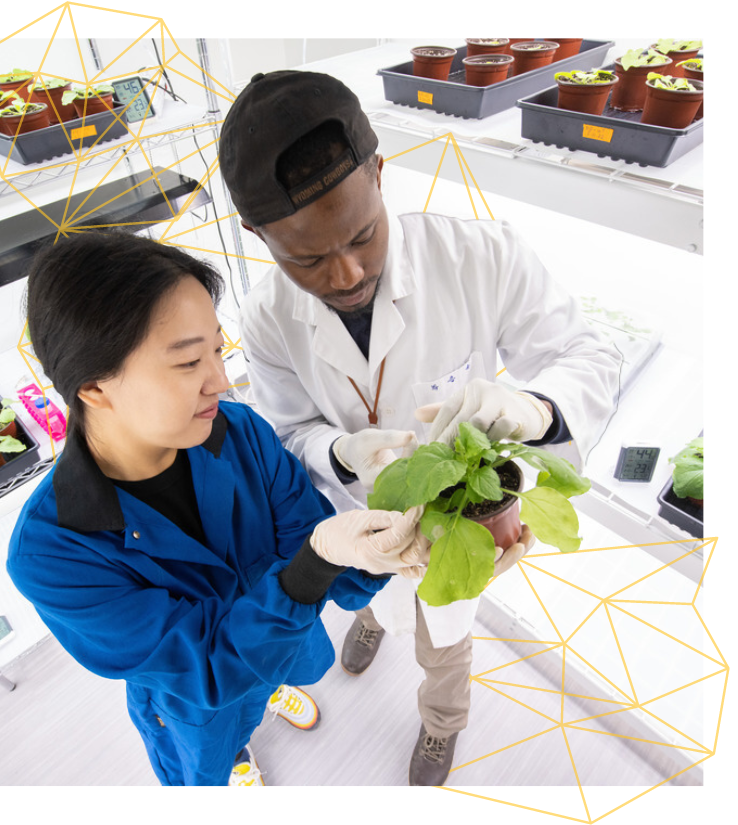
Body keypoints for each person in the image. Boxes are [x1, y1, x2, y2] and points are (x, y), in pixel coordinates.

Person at [218, 70, 622, 786]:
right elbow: (287, 431)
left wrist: (538, 408)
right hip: (358, 522)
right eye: (306, 259)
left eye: (362, 236)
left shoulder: (479, 256)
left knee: (446, 642)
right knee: (372, 590)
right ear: (257, 234)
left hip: (460, 517)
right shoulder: (266, 316)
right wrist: (337, 452)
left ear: (379, 173)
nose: (345, 274)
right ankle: (373, 618)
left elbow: (586, 353)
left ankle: (442, 723)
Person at [6, 230, 429, 786]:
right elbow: (203, 665)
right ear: (95, 388)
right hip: (198, 699)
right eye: (187, 364)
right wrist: (313, 563)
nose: (221, 382)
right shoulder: (53, 554)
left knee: (267, 666)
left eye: (217, 351)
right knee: (213, 740)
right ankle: (236, 758)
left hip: (281, 636)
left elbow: (315, 548)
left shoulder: (242, 433)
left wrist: (384, 548)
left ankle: (272, 686)